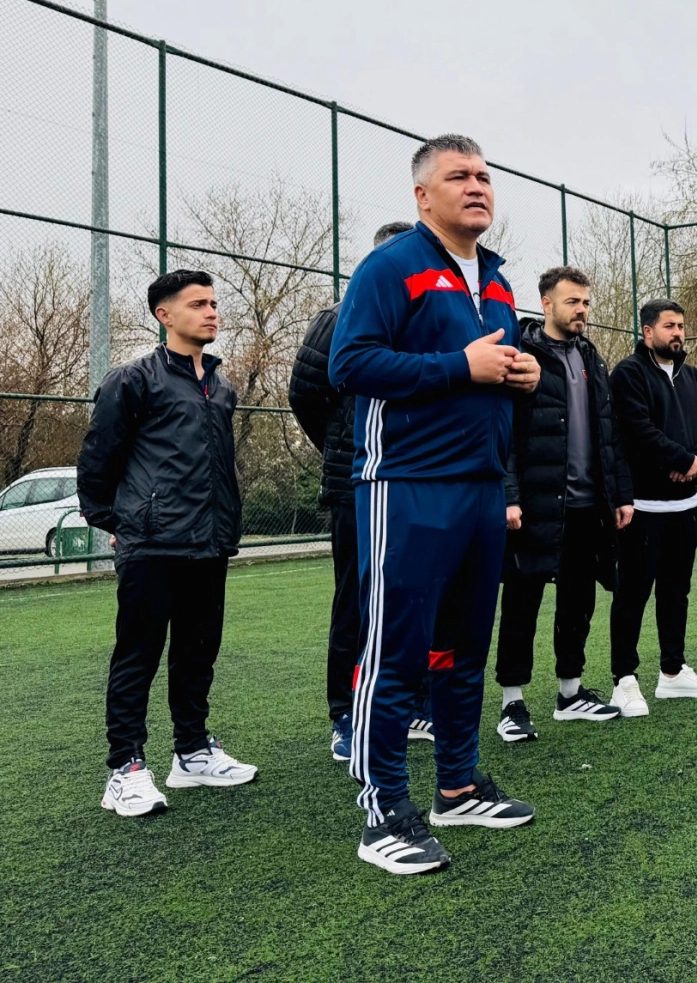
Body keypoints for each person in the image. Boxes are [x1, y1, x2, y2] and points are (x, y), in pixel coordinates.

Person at [330, 134, 540, 875]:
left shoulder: (499, 282)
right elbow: (349, 363)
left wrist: (520, 374)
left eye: (485, 175)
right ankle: (383, 811)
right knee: (396, 651)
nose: (477, 186)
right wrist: (461, 366)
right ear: (423, 196)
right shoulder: (391, 266)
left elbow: (485, 373)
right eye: (459, 176)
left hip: (481, 487)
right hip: (407, 484)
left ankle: (458, 785)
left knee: (463, 648)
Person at [79, 269, 255, 818]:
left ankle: (193, 753)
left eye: (214, 303)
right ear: (165, 315)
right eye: (198, 304)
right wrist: (115, 520)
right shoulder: (133, 379)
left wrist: (225, 527)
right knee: (138, 655)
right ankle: (125, 769)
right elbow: (97, 457)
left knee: (198, 652)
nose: (212, 312)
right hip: (152, 544)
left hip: (210, 542)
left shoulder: (221, 386)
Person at [289, 221, 437, 765]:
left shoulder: (431, 314)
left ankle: (413, 705)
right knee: (356, 600)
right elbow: (305, 395)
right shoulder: (339, 316)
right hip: (359, 486)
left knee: (417, 597)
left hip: (421, 481)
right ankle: (346, 714)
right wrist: (348, 451)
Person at [495, 267, 634, 736]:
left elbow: (609, 433)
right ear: (546, 304)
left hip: (588, 508)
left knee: (578, 602)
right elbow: (504, 433)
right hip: (535, 506)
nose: (582, 310)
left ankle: (570, 694)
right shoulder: (521, 354)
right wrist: (510, 496)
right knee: (522, 604)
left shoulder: (592, 357)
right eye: (573, 301)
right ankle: (512, 705)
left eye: (586, 302)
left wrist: (621, 494)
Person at [606, 299, 697, 714]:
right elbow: (637, 429)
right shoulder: (628, 374)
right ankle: (624, 679)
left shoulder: (692, 375)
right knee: (632, 594)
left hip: (685, 505)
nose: (678, 333)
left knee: (676, 592)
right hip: (642, 507)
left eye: (681, 326)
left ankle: (673, 673)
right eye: (669, 326)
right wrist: (680, 459)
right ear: (647, 331)